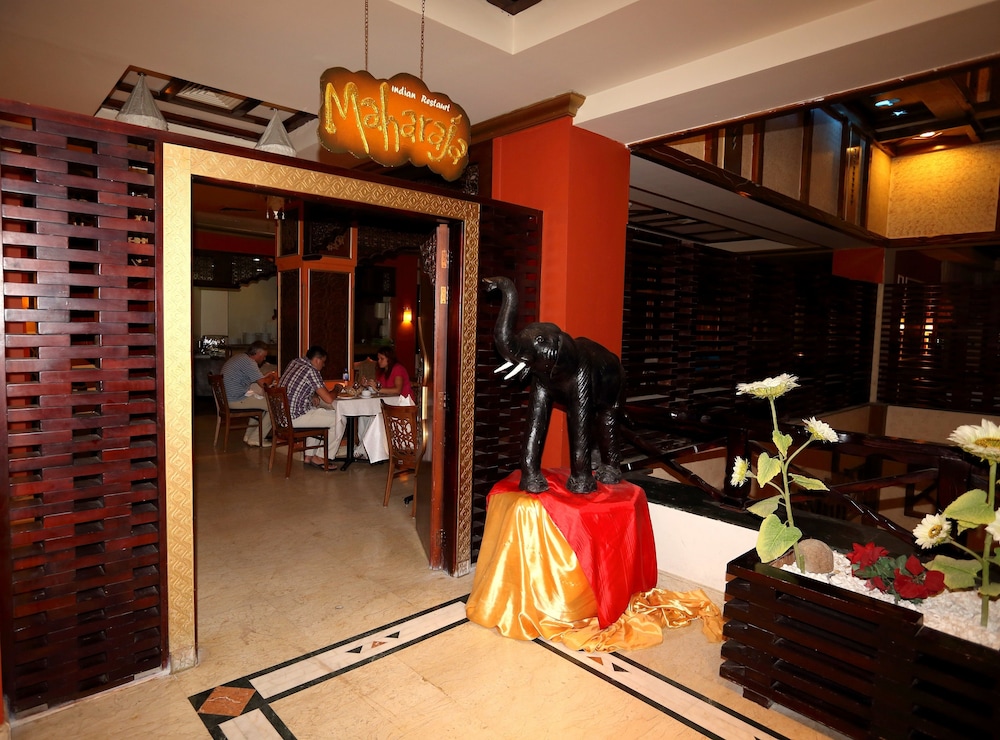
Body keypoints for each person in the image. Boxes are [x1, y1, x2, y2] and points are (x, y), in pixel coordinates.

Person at [279, 346, 340, 468]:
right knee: (339, 418)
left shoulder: (295, 362)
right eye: (323, 362)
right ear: (317, 360)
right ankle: (321, 457)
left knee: (317, 412)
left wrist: (313, 395)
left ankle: (309, 456)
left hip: (282, 416)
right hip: (294, 418)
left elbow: (299, 386)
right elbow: (328, 399)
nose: (324, 365)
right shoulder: (311, 371)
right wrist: (337, 389)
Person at [220, 340, 276, 447]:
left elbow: (257, 378)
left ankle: (249, 436)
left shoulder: (240, 357)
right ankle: (256, 439)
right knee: (274, 407)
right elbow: (264, 384)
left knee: (259, 398)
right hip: (234, 399)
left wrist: (266, 377)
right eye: (264, 356)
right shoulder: (249, 363)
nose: (264, 359)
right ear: (258, 354)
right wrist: (272, 376)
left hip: (227, 398)